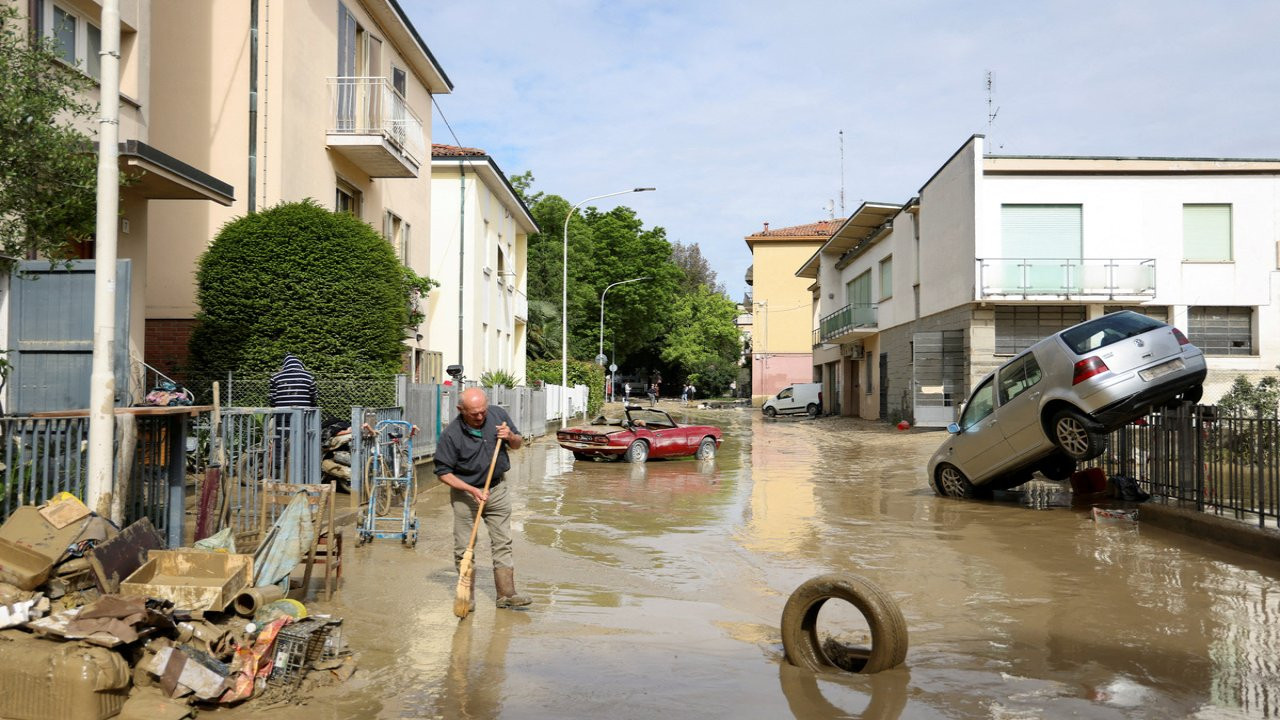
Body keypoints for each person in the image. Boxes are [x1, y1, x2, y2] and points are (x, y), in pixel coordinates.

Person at [434, 387, 532, 609]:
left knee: (503, 541)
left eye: (482, 411)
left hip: (497, 489)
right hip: (465, 494)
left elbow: (518, 444)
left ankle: (507, 595)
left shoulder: (497, 415)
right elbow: (443, 473)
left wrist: (510, 437)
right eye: (474, 413)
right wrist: (472, 490)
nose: (480, 417)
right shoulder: (451, 435)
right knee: (464, 546)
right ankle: (466, 597)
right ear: (461, 410)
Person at [268, 353, 318, 478]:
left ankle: (278, 470)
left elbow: (272, 399)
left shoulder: (276, 377)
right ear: (300, 364)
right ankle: (304, 469)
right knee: (303, 442)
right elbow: (314, 398)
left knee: (279, 441)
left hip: (282, 416)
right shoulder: (308, 377)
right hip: (303, 417)